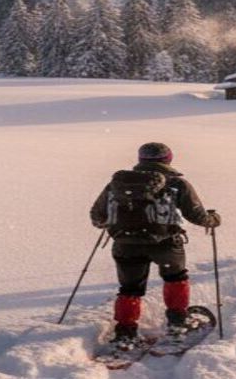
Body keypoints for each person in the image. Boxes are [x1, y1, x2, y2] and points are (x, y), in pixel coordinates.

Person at [89, 142, 221, 346]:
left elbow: (97, 216)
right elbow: (196, 215)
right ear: (168, 159)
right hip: (166, 243)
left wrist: (116, 222)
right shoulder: (177, 183)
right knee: (175, 278)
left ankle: (125, 332)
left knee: (129, 288)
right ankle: (177, 322)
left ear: (140, 159)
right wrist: (213, 220)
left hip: (125, 244)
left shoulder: (118, 183)